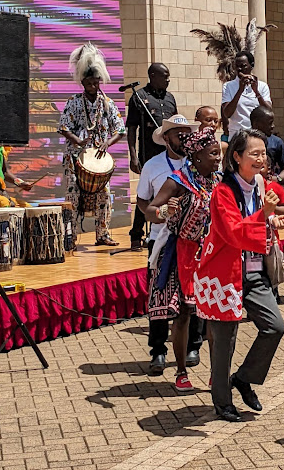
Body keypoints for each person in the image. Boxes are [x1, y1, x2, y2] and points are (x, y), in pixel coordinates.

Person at [193, 128, 284, 422]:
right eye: (254, 153)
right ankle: (222, 402)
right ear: (236, 157)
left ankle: (244, 378)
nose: (261, 158)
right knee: (225, 341)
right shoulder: (222, 192)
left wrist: (273, 219)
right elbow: (234, 233)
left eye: (263, 153)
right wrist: (265, 216)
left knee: (274, 326)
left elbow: (256, 219)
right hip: (225, 274)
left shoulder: (259, 183)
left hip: (253, 270)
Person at [145, 127, 222, 392]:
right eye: (213, 154)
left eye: (219, 153)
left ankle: (217, 372)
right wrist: (166, 210)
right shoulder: (177, 180)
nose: (218, 159)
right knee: (183, 314)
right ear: (197, 156)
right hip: (182, 253)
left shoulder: (218, 181)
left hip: (210, 253)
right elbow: (151, 210)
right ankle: (180, 371)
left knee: (213, 314)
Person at [136, 115, 204, 376]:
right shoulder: (152, 166)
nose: (184, 138)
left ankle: (192, 346)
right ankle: (158, 351)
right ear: (166, 138)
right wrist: (160, 212)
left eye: (188, 133)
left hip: (193, 241)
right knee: (159, 296)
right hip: (162, 240)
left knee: (191, 296)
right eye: (179, 134)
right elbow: (143, 202)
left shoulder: (198, 163)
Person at [59, 43, 125, 247]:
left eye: (97, 83)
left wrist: (107, 143)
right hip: (75, 159)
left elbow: (120, 130)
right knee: (73, 197)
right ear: (83, 82)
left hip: (98, 160)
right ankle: (70, 237)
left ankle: (102, 234)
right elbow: (63, 127)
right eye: (90, 84)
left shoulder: (108, 103)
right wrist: (78, 141)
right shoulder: (74, 102)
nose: (95, 87)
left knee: (104, 197)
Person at [127, 63, 178, 251]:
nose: (168, 80)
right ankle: (136, 234)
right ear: (153, 75)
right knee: (145, 196)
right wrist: (133, 156)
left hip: (169, 154)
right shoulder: (139, 97)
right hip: (149, 155)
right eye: (164, 76)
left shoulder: (170, 98)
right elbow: (131, 128)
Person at [221, 51, 272, 140]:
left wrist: (256, 92)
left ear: (251, 66)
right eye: (236, 66)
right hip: (237, 135)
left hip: (257, 135)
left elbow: (268, 110)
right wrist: (240, 90)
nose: (239, 69)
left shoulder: (262, 86)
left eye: (243, 66)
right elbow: (227, 113)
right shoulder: (228, 86)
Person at [260, 154, 284, 303]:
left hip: (270, 238)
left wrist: (271, 208)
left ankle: (274, 297)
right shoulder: (247, 186)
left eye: (262, 166)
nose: (259, 169)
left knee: (271, 270)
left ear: (269, 169)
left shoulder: (275, 187)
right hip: (254, 239)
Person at [250, 106, 284, 184]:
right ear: (256, 124)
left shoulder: (277, 142)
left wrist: (277, 179)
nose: (273, 126)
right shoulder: (244, 142)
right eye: (269, 123)